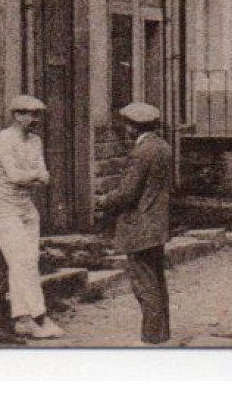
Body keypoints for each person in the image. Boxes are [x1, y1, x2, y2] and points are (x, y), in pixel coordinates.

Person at [0, 95, 64, 340]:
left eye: (38, 115)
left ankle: (23, 320)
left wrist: (33, 175)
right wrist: (34, 175)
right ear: (17, 115)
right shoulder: (2, 140)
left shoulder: (35, 141)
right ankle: (41, 317)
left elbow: (45, 176)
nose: (35, 119)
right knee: (22, 263)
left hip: (25, 207)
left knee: (26, 262)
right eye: (29, 114)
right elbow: (15, 176)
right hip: (2, 208)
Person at [95, 101, 173, 345]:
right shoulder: (162, 146)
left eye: (127, 124)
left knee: (144, 283)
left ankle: (152, 336)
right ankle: (161, 333)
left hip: (140, 224)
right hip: (158, 223)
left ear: (134, 127)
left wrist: (103, 201)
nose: (125, 128)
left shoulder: (141, 152)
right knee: (157, 280)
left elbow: (128, 193)